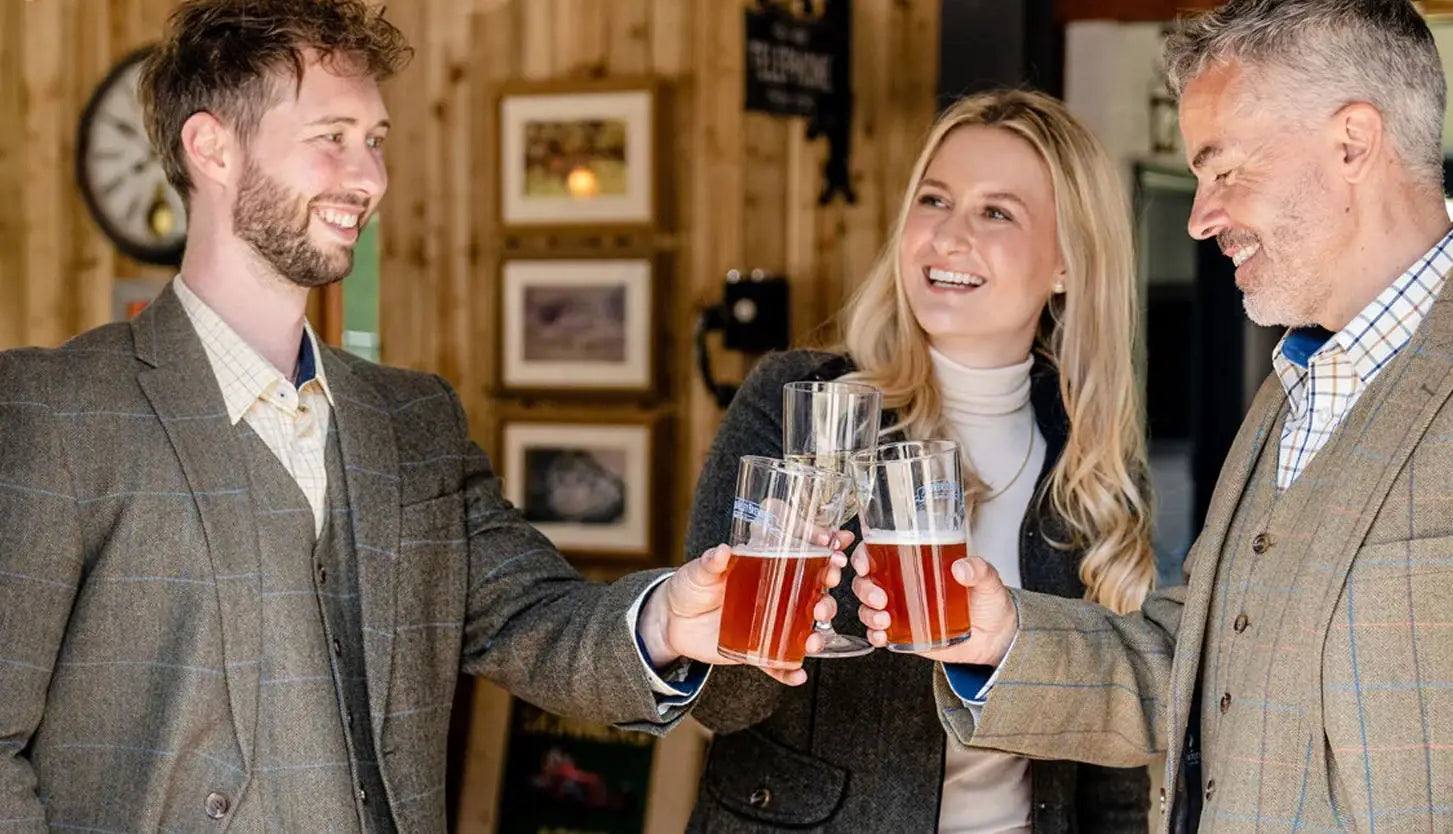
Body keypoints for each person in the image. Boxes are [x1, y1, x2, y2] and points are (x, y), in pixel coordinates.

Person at [0, 1, 844, 830]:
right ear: (211, 146)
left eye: (374, 141)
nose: (368, 178)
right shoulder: (56, 413)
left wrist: (663, 618)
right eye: (330, 138)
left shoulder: (414, 422)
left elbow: (533, 618)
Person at [855, 1, 1453, 831]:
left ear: (1353, 143)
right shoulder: (1293, 386)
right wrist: (1004, 640)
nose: (1200, 215)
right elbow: (1199, 664)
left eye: (1225, 170)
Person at [683, 88, 1157, 833]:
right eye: (934, 200)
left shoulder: (1091, 458)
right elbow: (720, 704)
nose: (948, 236)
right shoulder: (799, 401)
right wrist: (770, 594)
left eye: (996, 212)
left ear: (1067, 263)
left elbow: (1111, 748)